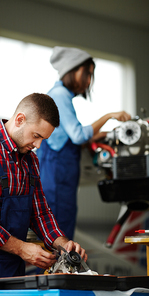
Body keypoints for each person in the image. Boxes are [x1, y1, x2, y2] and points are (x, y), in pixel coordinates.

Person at [0, 93, 87, 296]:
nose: (38, 145)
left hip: (13, 268)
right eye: (36, 136)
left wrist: (62, 244)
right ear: (20, 119)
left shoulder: (30, 162)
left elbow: (40, 213)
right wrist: (21, 248)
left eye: (44, 139)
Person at [37, 46, 131, 240]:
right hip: (57, 180)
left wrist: (102, 134)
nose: (89, 81)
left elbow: (68, 137)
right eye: (87, 74)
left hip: (61, 179)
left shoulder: (60, 95)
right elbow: (78, 135)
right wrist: (109, 116)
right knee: (58, 235)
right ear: (73, 69)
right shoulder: (60, 95)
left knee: (61, 231)